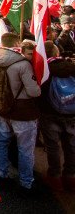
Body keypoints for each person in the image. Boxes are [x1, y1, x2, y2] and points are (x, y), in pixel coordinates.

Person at [0, 31, 41, 193]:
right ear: (17, 43)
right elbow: (34, 92)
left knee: (2, 142)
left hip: (2, 107)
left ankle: (2, 175)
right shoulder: (23, 64)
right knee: (25, 148)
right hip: (22, 110)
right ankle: (26, 182)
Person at [39, 40, 75, 192]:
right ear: (57, 53)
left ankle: (55, 177)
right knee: (71, 146)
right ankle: (71, 176)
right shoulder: (71, 67)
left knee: (53, 146)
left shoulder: (43, 70)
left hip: (49, 113)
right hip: (71, 112)